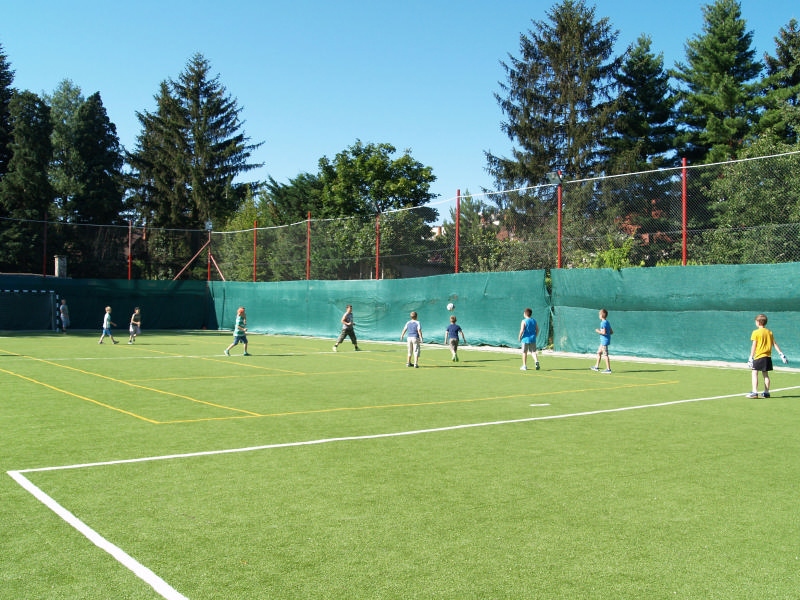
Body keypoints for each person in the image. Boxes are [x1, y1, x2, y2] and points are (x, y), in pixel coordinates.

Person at [746, 313, 787, 398]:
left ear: (758, 322)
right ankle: (766, 392)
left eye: (756, 321)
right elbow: (774, 344)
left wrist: (750, 357)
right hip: (767, 357)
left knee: (754, 372)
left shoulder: (755, 332)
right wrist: (781, 354)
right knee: (765, 374)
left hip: (759, 356)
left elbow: (754, 346)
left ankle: (754, 392)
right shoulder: (769, 332)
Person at [591, 308, 613, 373]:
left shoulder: (603, 323)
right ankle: (596, 367)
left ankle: (608, 369)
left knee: (605, 355)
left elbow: (603, 332)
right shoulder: (607, 322)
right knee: (599, 352)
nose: (599, 316)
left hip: (604, 341)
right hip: (604, 341)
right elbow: (611, 332)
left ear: (602, 315)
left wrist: (597, 331)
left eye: (599, 314)